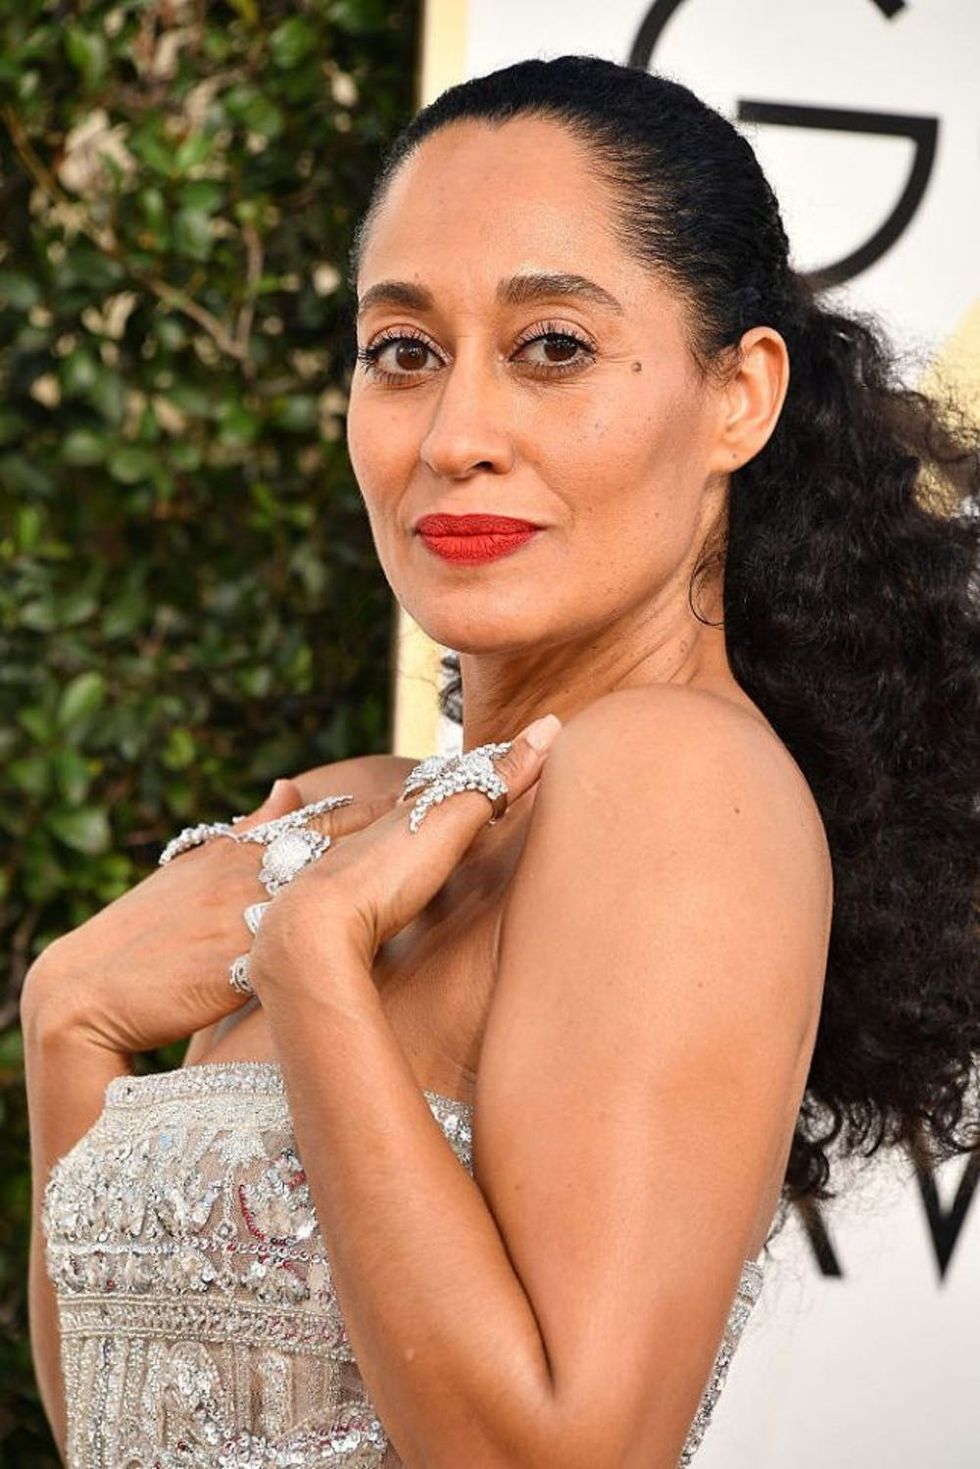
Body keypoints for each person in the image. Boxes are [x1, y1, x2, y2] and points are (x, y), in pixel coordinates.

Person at [22, 53, 979, 1469]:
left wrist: (313, 964)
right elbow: (121, 1418)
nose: (457, 436)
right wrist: (71, 1025)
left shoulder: (673, 781)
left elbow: (565, 1458)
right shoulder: (354, 814)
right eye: (403, 352)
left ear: (739, 395)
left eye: (553, 347)